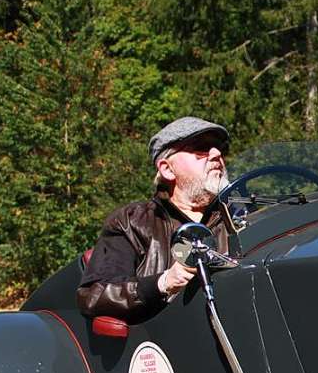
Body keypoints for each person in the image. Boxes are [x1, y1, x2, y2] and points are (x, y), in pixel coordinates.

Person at [77, 116, 233, 322]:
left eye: (220, 148)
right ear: (167, 169)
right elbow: (94, 296)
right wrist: (164, 282)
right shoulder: (131, 223)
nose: (216, 154)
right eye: (201, 148)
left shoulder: (240, 217)